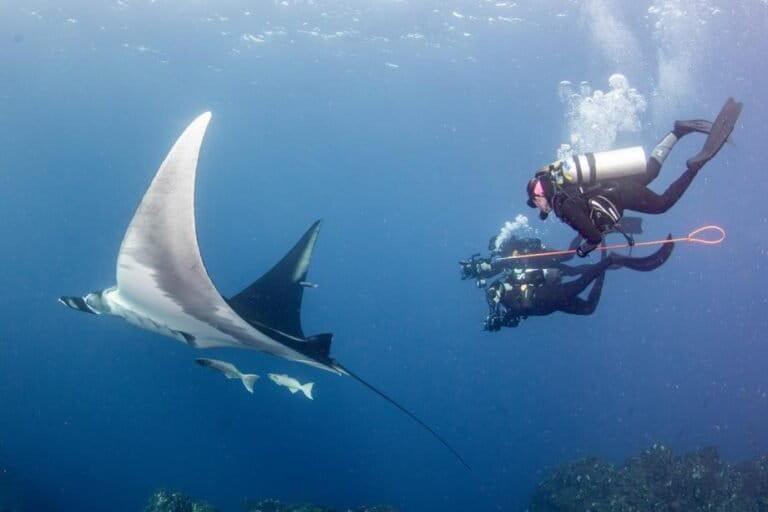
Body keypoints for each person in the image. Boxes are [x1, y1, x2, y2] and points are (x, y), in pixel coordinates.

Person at [526, 98, 742, 257]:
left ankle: (695, 166)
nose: (541, 210)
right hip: (617, 185)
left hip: (621, 196)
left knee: (662, 204)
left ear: (539, 196)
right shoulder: (564, 186)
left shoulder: (563, 205)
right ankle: (678, 131)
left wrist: (583, 249)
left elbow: (593, 236)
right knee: (650, 171)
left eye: (536, 204)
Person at [483, 239, 674, 330]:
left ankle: (608, 261)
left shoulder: (499, 289)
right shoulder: (508, 311)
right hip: (550, 305)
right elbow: (514, 317)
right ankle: (605, 263)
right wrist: (501, 320)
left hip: (543, 296)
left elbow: (493, 292)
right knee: (588, 308)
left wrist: (492, 314)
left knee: (577, 283)